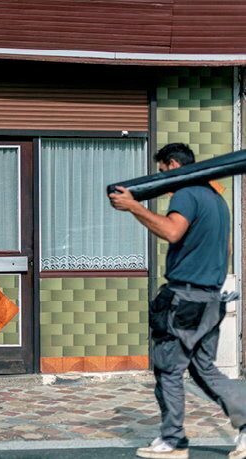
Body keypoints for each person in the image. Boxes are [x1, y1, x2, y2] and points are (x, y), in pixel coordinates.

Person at [109, 142, 246, 459]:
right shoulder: (216, 199)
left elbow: (172, 231)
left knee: (169, 371)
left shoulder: (185, 192)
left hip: (185, 297)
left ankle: (173, 442)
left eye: (161, 171)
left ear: (172, 165)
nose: (162, 179)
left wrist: (134, 207)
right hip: (211, 297)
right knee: (205, 370)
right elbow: (224, 251)